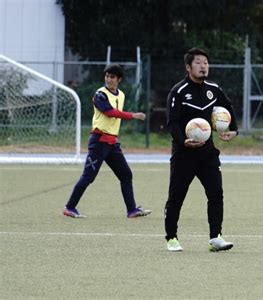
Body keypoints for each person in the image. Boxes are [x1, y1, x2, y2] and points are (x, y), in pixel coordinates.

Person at [164, 48, 238, 252]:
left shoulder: (213, 89)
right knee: (177, 196)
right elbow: (172, 122)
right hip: (184, 154)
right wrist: (183, 141)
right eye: (198, 62)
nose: (203, 66)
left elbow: (228, 107)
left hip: (207, 153)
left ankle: (216, 237)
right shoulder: (178, 91)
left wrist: (234, 130)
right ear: (188, 67)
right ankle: (171, 237)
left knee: (216, 193)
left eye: (205, 62)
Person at [63, 64, 152, 219]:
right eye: (107, 76)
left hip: (112, 143)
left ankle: (131, 210)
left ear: (119, 79)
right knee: (88, 176)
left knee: (126, 175)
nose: (108, 79)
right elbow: (109, 113)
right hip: (99, 141)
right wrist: (133, 115)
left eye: (112, 77)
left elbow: (114, 115)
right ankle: (69, 207)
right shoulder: (100, 94)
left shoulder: (121, 95)